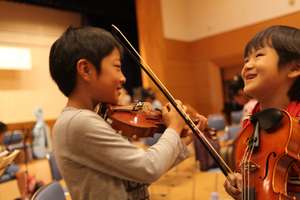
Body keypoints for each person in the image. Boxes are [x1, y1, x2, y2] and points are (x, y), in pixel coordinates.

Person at [49, 26, 203, 200]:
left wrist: (181, 142)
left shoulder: (88, 118)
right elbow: (148, 168)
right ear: (85, 70)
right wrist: (173, 128)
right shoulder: (77, 122)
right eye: (116, 67)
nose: (123, 78)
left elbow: (136, 177)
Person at [223, 25, 300, 199]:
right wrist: (242, 184)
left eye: (258, 55)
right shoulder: (251, 123)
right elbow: (257, 175)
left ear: (294, 68)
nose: (247, 66)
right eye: (245, 60)